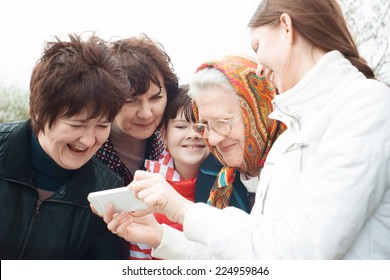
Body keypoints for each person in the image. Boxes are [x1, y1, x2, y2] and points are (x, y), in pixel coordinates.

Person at [101, 0, 390, 260]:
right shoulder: (291, 135)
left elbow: (301, 250)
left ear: (286, 28)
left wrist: (183, 210)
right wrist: (162, 238)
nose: (260, 69)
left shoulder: (366, 105)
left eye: (257, 46)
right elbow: (256, 254)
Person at [100, 54, 285, 258]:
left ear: (258, 110)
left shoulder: (295, 167)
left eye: (223, 121)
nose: (211, 139)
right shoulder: (223, 179)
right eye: (204, 126)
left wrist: (182, 210)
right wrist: (160, 237)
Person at [0, 33, 131, 259]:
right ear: (39, 112)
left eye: (102, 125)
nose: (89, 140)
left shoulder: (107, 192)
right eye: (77, 124)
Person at [130, 84, 210, 259]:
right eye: (181, 126)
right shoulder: (147, 189)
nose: (193, 134)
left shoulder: (229, 184)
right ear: (164, 135)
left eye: (202, 126)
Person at [96, 33, 179, 186]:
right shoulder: (86, 146)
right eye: (131, 100)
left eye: (156, 98)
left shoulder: (178, 143)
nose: (146, 113)